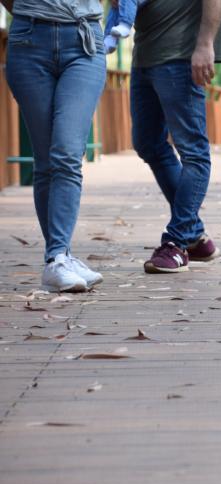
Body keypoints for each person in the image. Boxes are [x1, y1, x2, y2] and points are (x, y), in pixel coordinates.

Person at [2, 0, 106, 292]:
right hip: (29, 38)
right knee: (46, 160)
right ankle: (60, 258)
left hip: (84, 42)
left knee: (67, 153)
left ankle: (58, 257)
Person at [130, 0, 221, 273]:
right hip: (145, 55)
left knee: (193, 151)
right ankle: (193, 233)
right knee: (147, 143)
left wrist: (205, 44)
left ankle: (176, 241)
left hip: (181, 55)